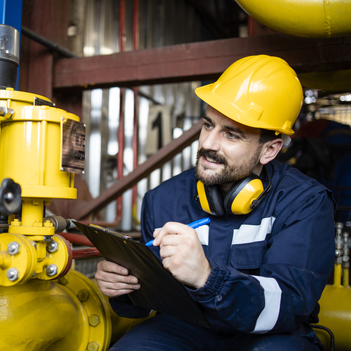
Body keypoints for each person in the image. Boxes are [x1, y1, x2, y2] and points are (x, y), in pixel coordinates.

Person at [95, 55, 335, 351]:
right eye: (208, 125)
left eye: (231, 134)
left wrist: (207, 278)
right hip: (187, 327)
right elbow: (148, 302)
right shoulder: (163, 199)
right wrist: (123, 289)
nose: (209, 144)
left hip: (268, 335)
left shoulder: (304, 203)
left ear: (270, 150)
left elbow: (290, 306)